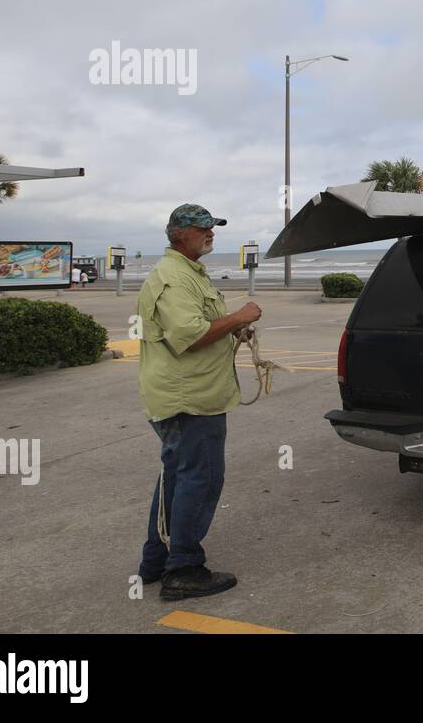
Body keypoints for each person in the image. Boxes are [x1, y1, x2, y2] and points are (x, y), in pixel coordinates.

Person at [135, 204, 262, 601]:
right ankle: (185, 569)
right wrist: (242, 314)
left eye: (212, 227)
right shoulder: (174, 279)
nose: (211, 233)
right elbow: (189, 335)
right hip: (189, 399)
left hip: (188, 395)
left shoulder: (187, 273)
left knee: (177, 476)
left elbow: (200, 329)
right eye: (202, 228)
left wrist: (233, 329)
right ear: (179, 234)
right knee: (200, 478)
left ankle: (156, 562)